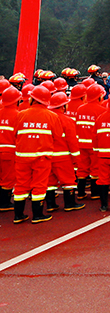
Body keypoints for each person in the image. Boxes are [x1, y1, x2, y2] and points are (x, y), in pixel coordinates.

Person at [12, 86, 65, 224]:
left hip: (22, 157)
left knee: (21, 185)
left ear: (32, 99)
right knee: (39, 185)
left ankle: (18, 215)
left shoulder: (21, 114)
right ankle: (37, 214)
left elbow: (14, 133)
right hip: (42, 157)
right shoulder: (52, 116)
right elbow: (58, 136)